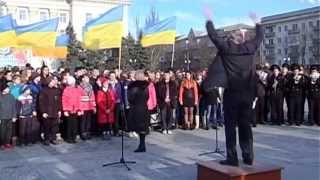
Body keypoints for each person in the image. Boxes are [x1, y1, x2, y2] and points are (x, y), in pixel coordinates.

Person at [204, 9, 262, 166]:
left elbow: (213, 36)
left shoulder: (227, 49)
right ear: (243, 39)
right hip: (247, 94)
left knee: (230, 126)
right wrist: (258, 23)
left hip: (232, 94)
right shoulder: (250, 49)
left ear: (231, 39)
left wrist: (209, 19)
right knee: (245, 125)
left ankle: (232, 158)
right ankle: (248, 156)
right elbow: (259, 37)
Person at [127, 71, 150, 153]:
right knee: (142, 127)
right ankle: (142, 144)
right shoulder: (146, 86)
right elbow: (147, 97)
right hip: (144, 108)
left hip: (136, 109)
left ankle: (142, 146)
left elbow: (131, 98)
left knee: (139, 126)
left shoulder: (134, 87)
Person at [39, 76, 62, 145]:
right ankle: (47, 139)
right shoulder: (44, 90)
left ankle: (53, 139)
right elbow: (41, 102)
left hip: (55, 111)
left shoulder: (56, 90)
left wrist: (59, 110)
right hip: (47, 111)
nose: (54, 82)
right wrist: (43, 112)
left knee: (54, 126)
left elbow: (59, 101)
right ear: (49, 82)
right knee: (47, 127)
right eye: (52, 81)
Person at [62, 76, 84, 143]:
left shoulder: (77, 89)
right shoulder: (66, 90)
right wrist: (65, 110)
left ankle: (73, 137)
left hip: (76, 109)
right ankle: (69, 138)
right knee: (69, 125)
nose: (74, 83)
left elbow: (80, 99)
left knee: (75, 124)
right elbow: (64, 100)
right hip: (69, 110)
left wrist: (80, 109)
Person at [79, 74, 96, 140]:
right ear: (83, 79)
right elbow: (78, 97)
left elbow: (92, 96)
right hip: (83, 106)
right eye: (86, 78)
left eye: (88, 78)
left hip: (89, 105)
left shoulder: (90, 86)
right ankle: (83, 133)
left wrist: (94, 106)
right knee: (83, 121)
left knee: (88, 120)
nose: (87, 79)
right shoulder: (79, 87)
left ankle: (88, 132)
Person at [0, 84, 17, 150]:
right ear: (3, 89)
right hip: (2, 117)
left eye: (8, 88)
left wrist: (14, 116)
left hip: (10, 116)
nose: (8, 89)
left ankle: (7, 142)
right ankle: (1, 143)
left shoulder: (11, 96)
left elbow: (14, 107)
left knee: (9, 130)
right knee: (2, 131)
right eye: (7, 88)